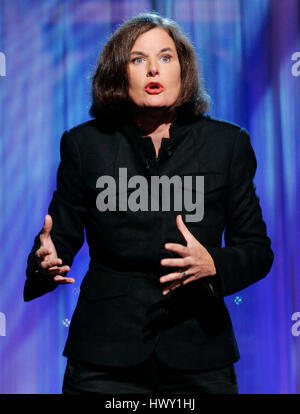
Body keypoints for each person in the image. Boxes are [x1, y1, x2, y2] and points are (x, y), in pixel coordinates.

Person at [24, 12, 274, 394]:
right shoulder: (84, 145)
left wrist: (213, 264)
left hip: (199, 352)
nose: (153, 69)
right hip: (104, 357)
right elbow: (58, 239)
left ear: (183, 69)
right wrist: (45, 262)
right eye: (138, 59)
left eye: (166, 57)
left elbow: (257, 250)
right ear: (118, 74)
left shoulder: (228, 145)